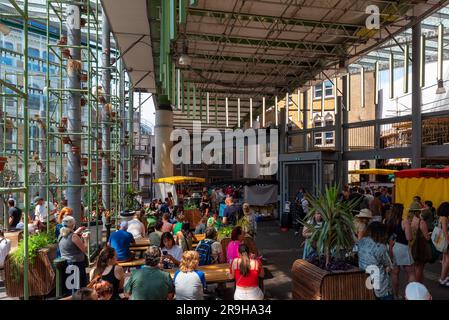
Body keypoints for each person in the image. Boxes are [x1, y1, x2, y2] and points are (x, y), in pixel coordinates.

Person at [358, 222, 394, 300]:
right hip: (380, 285)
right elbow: (389, 265)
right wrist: (391, 247)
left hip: (365, 280)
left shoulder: (361, 242)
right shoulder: (381, 247)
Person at [386, 203, 415, 299]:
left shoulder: (386, 221)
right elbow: (409, 237)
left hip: (390, 247)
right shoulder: (404, 222)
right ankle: (409, 296)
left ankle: (396, 295)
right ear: (401, 211)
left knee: (395, 273)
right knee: (411, 273)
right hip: (402, 248)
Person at [58, 216, 89, 290]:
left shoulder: (61, 235)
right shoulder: (74, 236)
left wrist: (76, 231)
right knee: (78, 288)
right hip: (76, 265)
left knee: (71, 288)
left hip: (66, 264)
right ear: (73, 225)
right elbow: (84, 249)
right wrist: (86, 239)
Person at [410, 201, 431, 283]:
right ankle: (417, 285)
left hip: (411, 245)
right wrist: (430, 235)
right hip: (420, 246)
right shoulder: (421, 222)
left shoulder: (408, 220)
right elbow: (427, 237)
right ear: (418, 211)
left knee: (414, 267)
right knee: (420, 267)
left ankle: (416, 285)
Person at [437, 202, 449, 286]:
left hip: (442, 242)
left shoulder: (440, 217)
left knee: (444, 260)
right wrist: (448, 242)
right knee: (447, 260)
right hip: (445, 242)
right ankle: (443, 279)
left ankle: (442, 278)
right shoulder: (444, 218)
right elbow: (445, 232)